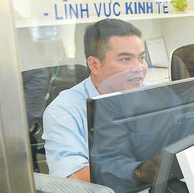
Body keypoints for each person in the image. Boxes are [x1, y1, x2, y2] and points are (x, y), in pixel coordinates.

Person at [43, 18, 148, 182]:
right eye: (125, 59)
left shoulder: (150, 94)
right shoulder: (64, 111)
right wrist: (138, 172)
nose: (139, 68)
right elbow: (73, 177)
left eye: (141, 58)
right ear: (94, 64)